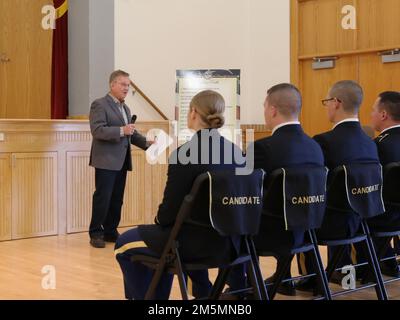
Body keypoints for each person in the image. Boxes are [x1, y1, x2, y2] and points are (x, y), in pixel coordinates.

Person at [114, 90, 245, 300]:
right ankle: (203, 293)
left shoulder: (184, 154)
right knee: (182, 230)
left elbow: (168, 215)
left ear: (193, 112)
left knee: (123, 245)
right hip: (232, 242)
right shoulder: (238, 153)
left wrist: (158, 221)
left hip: (192, 245)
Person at [227, 83, 324, 297]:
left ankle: (240, 288)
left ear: (272, 110)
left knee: (234, 219)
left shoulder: (262, 148)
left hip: (271, 234)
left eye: (264, 106)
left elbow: (242, 191)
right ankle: (284, 279)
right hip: (308, 230)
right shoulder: (315, 146)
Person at [297, 80, 380, 291]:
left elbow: (312, 186)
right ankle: (345, 276)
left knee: (299, 214)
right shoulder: (370, 143)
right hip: (362, 220)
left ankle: (312, 279)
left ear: (336, 102)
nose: (326, 106)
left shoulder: (324, 142)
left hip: (329, 224)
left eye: (326, 101)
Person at [89, 70, 150, 248]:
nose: (126, 88)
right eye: (123, 84)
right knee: (103, 197)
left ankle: (110, 231)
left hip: (122, 160)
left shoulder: (125, 107)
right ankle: (96, 233)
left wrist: (148, 143)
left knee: (117, 198)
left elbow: (130, 132)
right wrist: (122, 130)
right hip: (106, 160)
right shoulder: (99, 104)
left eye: (128, 85)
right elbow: (97, 130)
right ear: (112, 84)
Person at [355, 91, 400, 277]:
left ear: (383, 115)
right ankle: (386, 261)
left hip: (384, 216)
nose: (371, 114)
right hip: (396, 215)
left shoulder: (377, 146)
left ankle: (357, 270)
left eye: (373, 110)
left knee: (351, 212)